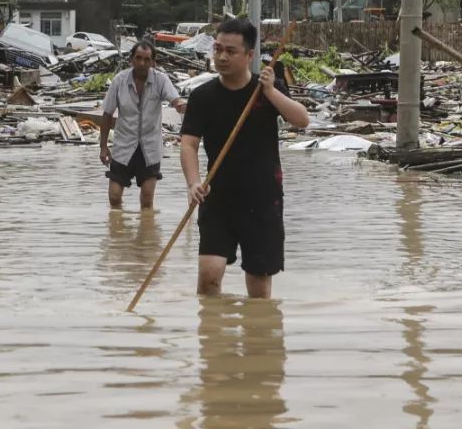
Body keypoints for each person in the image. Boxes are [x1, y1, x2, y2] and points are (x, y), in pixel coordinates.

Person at [179, 18, 310, 299]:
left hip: (262, 199)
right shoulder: (203, 97)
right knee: (209, 277)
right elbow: (188, 144)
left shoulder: (265, 93)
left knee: (259, 287)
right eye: (217, 49)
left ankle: (257, 342)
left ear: (250, 56)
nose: (222, 57)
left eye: (230, 51)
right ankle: (214, 340)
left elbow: (302, 120)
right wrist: (193, 183)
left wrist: (272, 92)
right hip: (216, 197)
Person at [100, 40, 186, 210]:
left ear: (153, 62)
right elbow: (107, 113)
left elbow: (175, 99)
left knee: (147, 200)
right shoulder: (119, 81)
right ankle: (118, 234)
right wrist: (103, 146)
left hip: (150, 148)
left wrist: (180, 105)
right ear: (131, 59)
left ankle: (146, 235)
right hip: (124, 146)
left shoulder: (161, 80)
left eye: (147, 59)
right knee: (114, 197)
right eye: (138, 58)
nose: (142, 63)